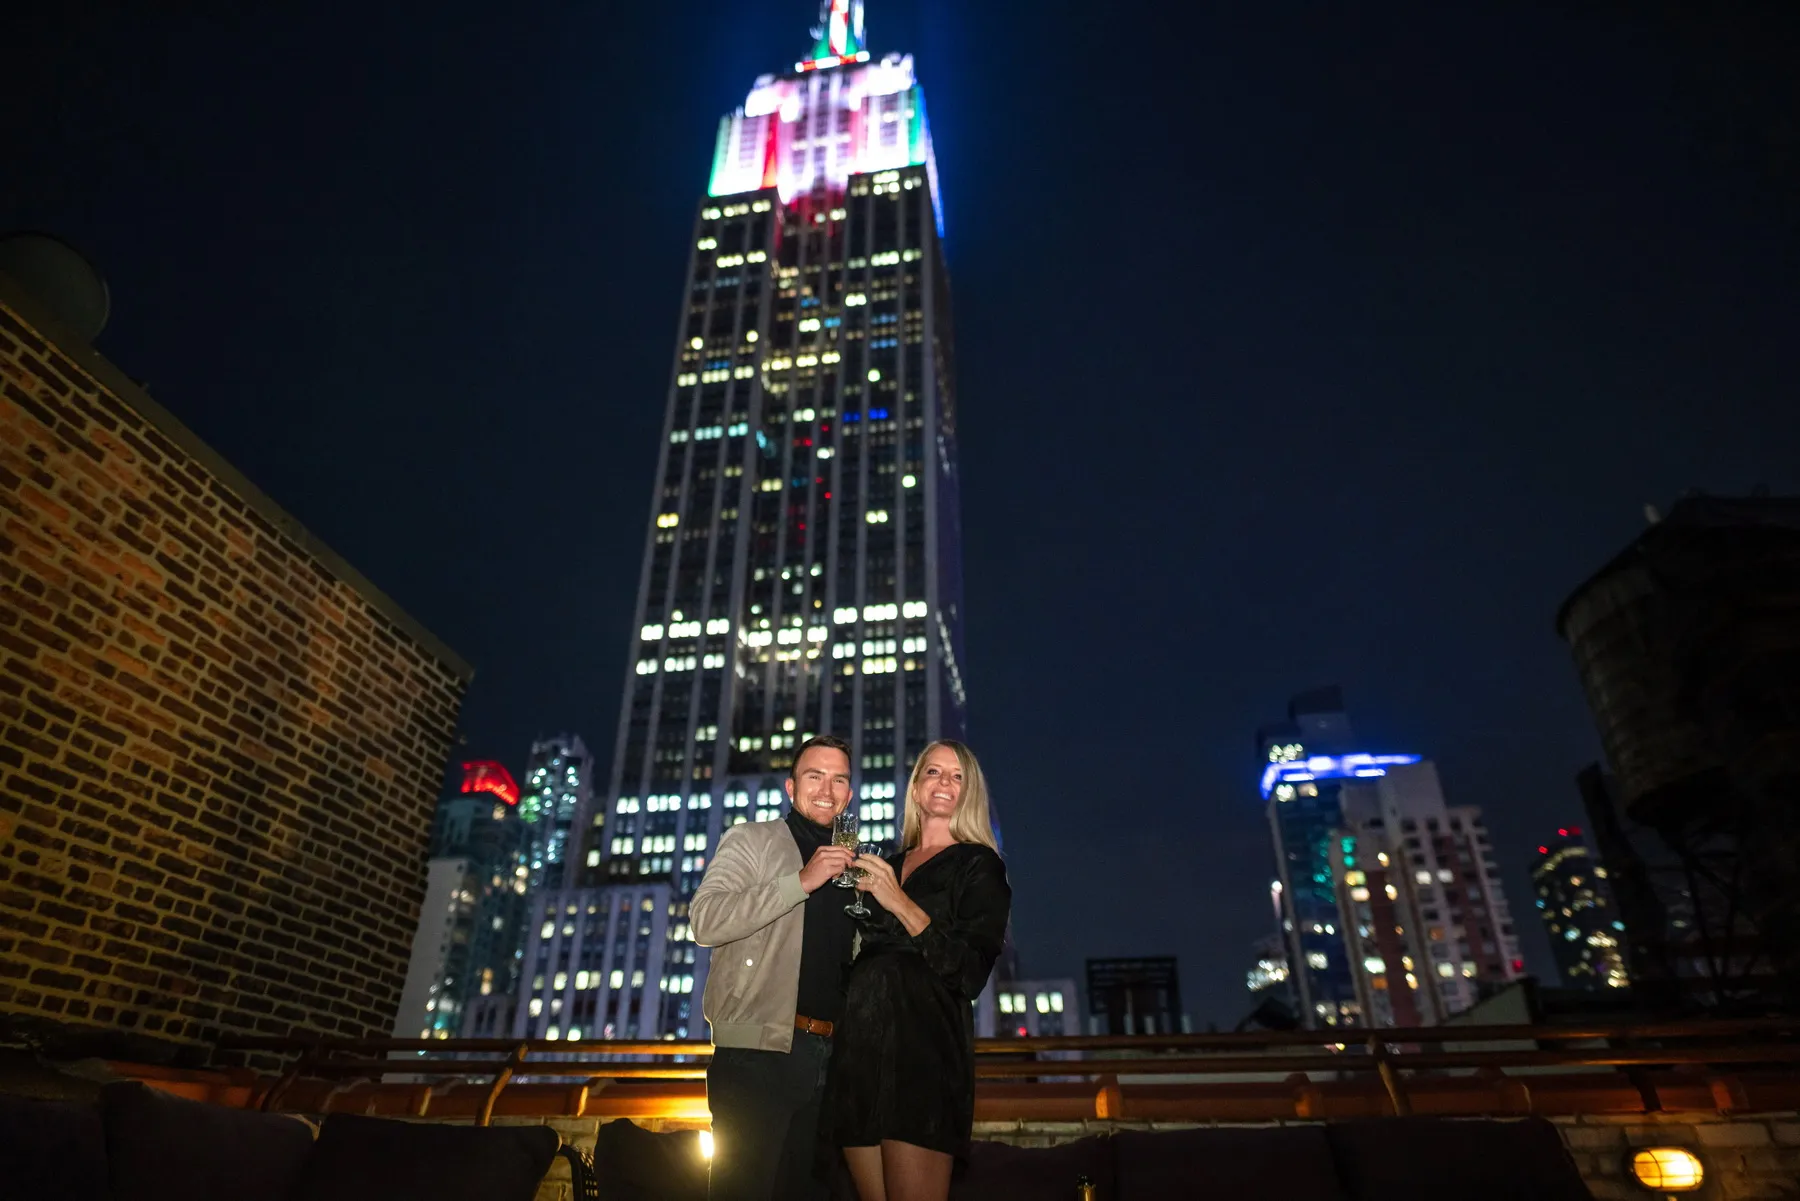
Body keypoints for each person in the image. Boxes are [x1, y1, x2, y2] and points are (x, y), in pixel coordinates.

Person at [827, 740, 1012, 1201]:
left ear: (969, 791)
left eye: (956, 775)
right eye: (933, 772)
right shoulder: (885, 863)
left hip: (923, 1054)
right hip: (860, 1057)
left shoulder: (979, 865)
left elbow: (968, 972)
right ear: (915, 787)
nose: (944, 783)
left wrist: (898, 901)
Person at [690, 734, 859, 1201]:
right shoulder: (752, 839)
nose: (827, 789)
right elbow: (704, 920)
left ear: (848, 794)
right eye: (814, 776)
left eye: (838, 779)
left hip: (829, 1057)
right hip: (756, 1055)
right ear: (790, 787)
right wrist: (801, 881)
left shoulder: (855, 865)